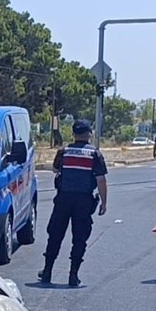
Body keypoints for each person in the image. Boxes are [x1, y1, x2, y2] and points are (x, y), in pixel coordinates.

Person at [38, 119, 109, 287]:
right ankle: (73, 275)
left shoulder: (64, 151)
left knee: (55, 235)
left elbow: (55, 170)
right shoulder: (95, 154)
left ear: (74, 134)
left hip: (63, 199)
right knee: (80, 237)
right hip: (84, 200)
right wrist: (104, 203)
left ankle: (47, 271)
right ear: (89, 134)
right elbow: (101, 181)